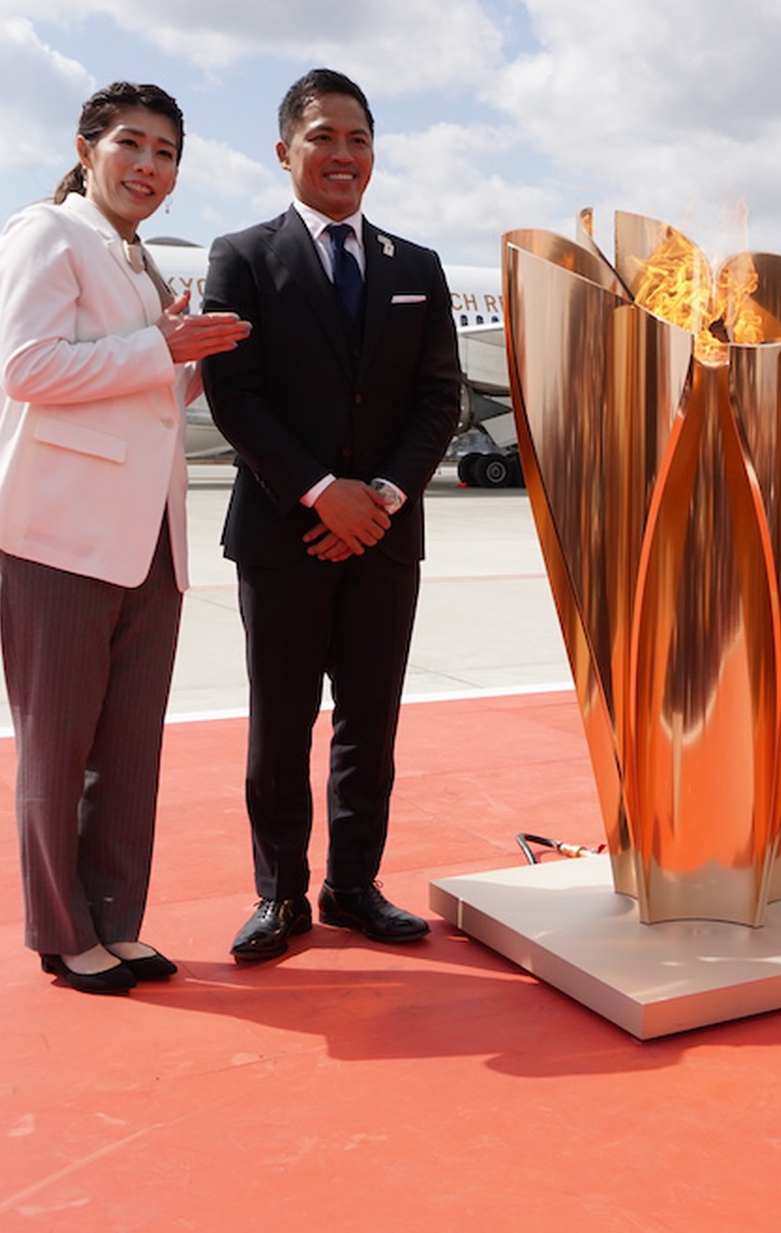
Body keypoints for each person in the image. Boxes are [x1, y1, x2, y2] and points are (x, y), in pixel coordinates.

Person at [0, 82, 250, 994]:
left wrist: (193, 361)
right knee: (57, 749)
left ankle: (116, 921)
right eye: (132, 144)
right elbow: (28, 366)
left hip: (147, 540)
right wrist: (163, 351)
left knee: (128, 750)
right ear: (87, 148)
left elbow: (142, 397)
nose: (149, 166)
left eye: (167, 153)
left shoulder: (141, 263)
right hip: (57, 534)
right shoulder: (47, 234)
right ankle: (63, 931)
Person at [202, 68, 462, 960]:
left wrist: (382, 496)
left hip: (385, 536)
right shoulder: (240, 257)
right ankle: (280, 895)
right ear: (286, 152)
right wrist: (322, 492)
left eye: (358, 137)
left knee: (369, 721)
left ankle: (353, 885)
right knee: (280, 721)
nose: (342, 154)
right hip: (284, 531)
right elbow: (235, 397)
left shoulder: (416, 267)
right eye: (323, 137)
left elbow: (439, 401)